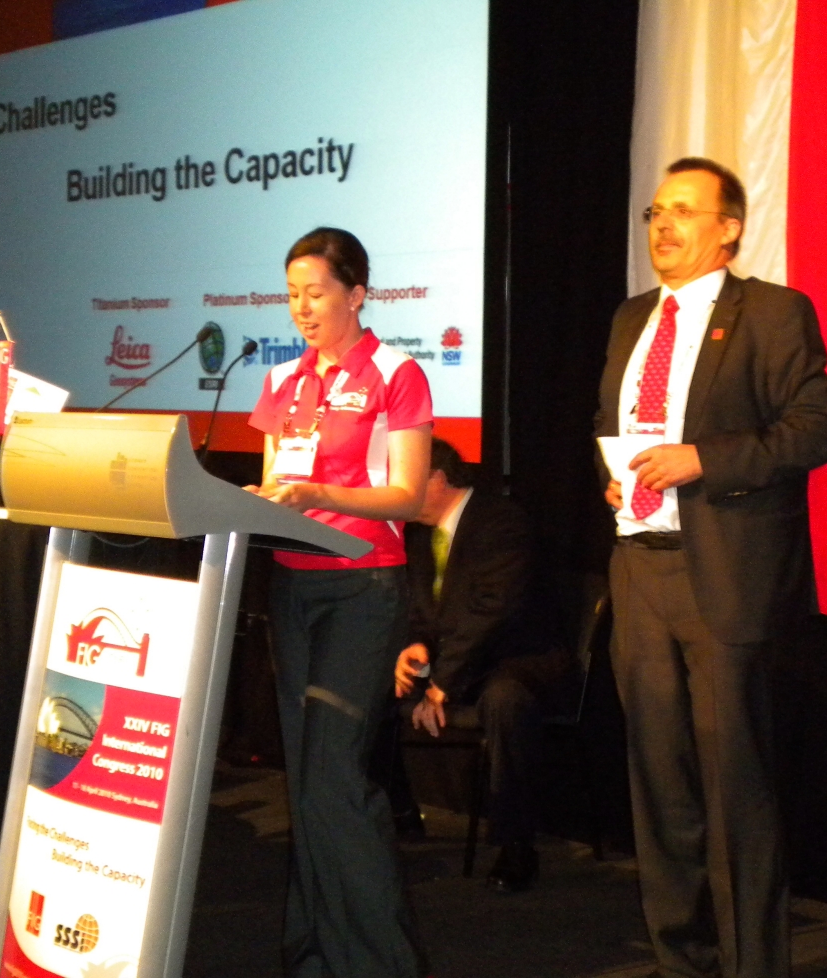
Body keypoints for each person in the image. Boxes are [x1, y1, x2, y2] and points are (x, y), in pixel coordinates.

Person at [594, 158, 827, 978]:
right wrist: (615, 476)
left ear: (729, 228)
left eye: (683, 211)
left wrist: (702, 458)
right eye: (654, 213)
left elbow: (816, 431)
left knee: (736, 789)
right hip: (639, 570)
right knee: (660, 788)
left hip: (726, 581)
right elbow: (610, 421)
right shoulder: (632, 318)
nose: (663, 225)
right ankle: (683, 962)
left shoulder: (771, 313)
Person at [246, 227, 432, 978]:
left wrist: (321, 493)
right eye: (292, 293)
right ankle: (314, 954)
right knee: (305, 781)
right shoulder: (281, 380)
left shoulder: (396, 372)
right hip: (292, 586)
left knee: (335, 780)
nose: (301, 306)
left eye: (315, 292)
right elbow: (274, 487)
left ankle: (382, 963)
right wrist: (261, 502)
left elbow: (409, 496)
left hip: (362, 586)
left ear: (356, 295)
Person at [393, 437, 572, 892]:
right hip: (458, 659)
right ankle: (397, 813)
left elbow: (490, 611)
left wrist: (442, 683)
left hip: (516, 656)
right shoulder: (419, 533)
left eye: (404, 477)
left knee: (505, 701)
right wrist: (415, 646)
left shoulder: (500, 521)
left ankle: (516, 845)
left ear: (436, 478)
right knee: (366, 683)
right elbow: (421, 607)